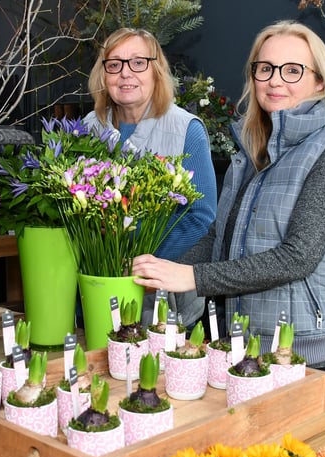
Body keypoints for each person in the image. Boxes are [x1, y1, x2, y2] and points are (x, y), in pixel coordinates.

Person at [130, 20, 325, 369]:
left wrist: (192, 278)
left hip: (297, 347)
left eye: (293, 70)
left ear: (320, 82)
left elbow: (297, 257)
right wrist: (165, 271)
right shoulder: (251, 152)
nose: (275, 80)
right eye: (266, 68)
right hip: (238, 339)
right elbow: (218, 237)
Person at [84, 27, 218, 325]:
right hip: (97, 291)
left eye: (138, 62)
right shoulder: (88, 128)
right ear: (103, 75)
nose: (125, 73)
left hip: (166, 299)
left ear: (156, 71)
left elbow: (201, 218)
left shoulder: (186, 129)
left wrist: (139, 260)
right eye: (114, 64)